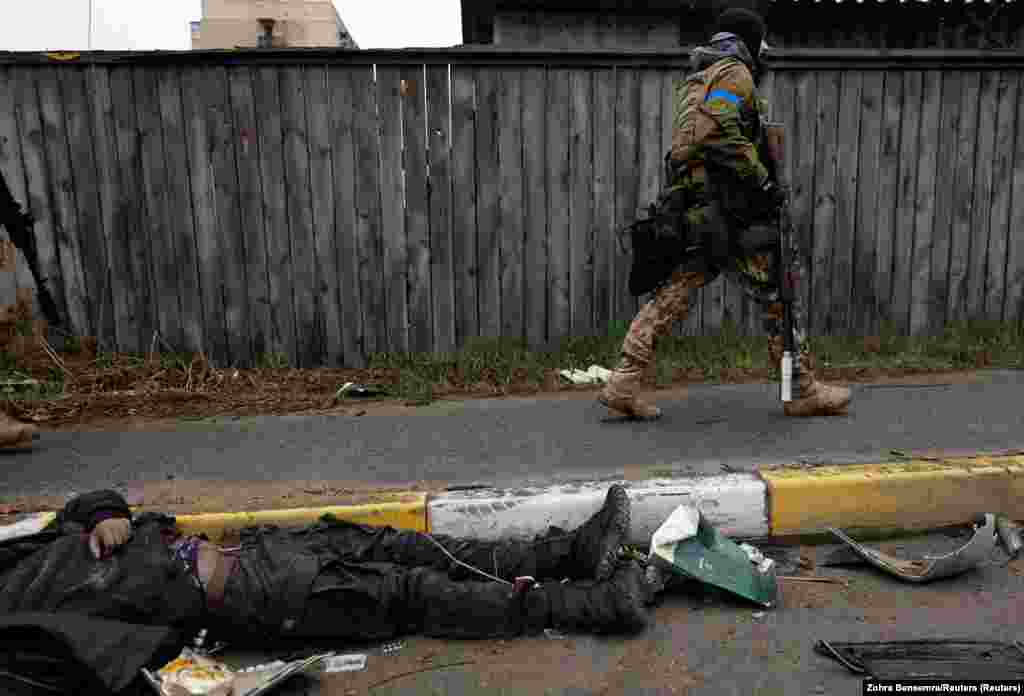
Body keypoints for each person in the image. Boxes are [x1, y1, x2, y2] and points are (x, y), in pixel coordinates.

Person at [1, 485, 651, 652]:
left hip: (259, 549)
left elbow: (82, 504)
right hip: (249, 593)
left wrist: (104, 515)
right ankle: (592, 605)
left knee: (408, 548)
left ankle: (566, 553)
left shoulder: (15, 557)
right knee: (412, 592)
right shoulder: (18, 634)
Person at [600, 8, 851, 421]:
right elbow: (718, 133)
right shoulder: (734, 73)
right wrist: (762, 182)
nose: (763, 55)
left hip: (703, 211)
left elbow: (694, 143)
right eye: (761, 46)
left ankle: (623, 382)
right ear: (748, 42)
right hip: (733, 210)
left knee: (673, 293)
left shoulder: (699, 79)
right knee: (779, 296)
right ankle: (800, 389)